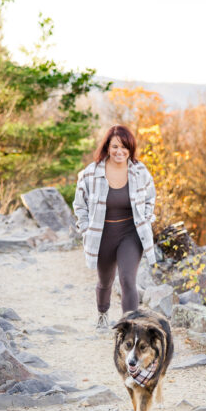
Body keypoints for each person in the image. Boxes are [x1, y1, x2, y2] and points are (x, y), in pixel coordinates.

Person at [72, 125, 157, 329]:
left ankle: (130, 328)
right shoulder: (90, 174)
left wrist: (145, 219)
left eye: (125, 147)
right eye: (115, 147)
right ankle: (102, 313)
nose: (120, 152)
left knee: (128, 280)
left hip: (130, 233)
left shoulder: (139, 171)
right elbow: (79, 205)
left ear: (131, 148)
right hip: (102, 235)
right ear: (107, 148)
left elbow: (150, 199)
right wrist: (85, 228)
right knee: (105, 283)